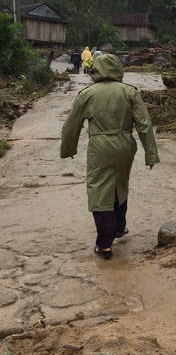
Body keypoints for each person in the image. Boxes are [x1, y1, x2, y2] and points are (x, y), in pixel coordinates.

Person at [60, 53, 160, 259]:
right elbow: (144, 124)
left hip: (100, 146)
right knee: (120, 184)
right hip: (125, 144)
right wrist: (151, 155)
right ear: (118, 69)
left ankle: (104, 245)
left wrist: (68, 148)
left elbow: (72, 124)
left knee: (99, 190)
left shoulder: (87, 94)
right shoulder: (129, 92)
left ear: (95, 68)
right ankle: (118, 228)